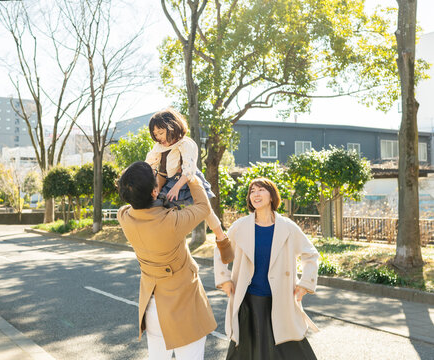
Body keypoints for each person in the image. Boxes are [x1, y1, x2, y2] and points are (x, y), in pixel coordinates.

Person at [117, 161, 217, 360]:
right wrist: (190, 175)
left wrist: (156, 178)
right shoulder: (171, 221)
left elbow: (144, 196)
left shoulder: (124, 216)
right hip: (182, 307)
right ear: (154, 192)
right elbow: (204, 207)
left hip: (152, 306)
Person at [214, 177, 320, 360]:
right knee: (246, 352)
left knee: (290, 349)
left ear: (271, 196)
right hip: (249, 302)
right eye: (252, 191)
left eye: (260, 190)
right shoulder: (240, 226)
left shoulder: (288, 227)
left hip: (281, 299)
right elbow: (220, 249)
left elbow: (311, 254)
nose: (255, 194)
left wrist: (304, 284)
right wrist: (224, 279)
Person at [145, 108, 233, 264]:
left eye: (161, 132)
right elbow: (150, 164)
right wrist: (152, 184)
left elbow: (189, 169)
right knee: (161, 209)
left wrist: (177, 187)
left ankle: (222, 240)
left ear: (172, 126)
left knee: (206, 209)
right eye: (155, 134)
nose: (158, 137)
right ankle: (167, 246)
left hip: (188, 179)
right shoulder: (160, 147)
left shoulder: (186, 144)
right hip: (169, 181)